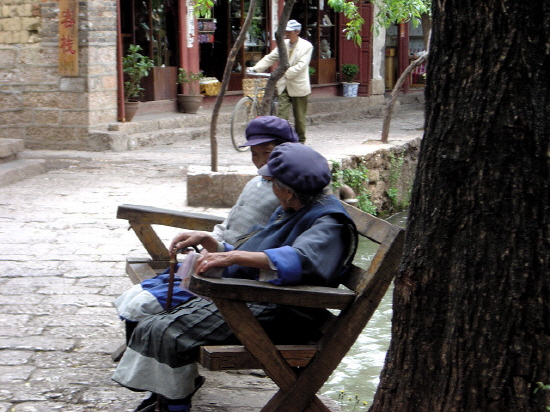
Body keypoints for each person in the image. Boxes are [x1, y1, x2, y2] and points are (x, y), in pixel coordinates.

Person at [112, 143, 358, 412]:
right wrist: (213, 244)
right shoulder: (292, 207)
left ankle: (173, 405)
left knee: (168, 332)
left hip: (286, 313)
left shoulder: (330, 222)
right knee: (153, 325)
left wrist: (233, 258)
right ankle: (167, 398)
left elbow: (301, 259)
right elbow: (255, 253)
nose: (269, 188)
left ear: (287, 190)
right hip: (255, 298)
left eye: (271, 183)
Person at [113, 116, 299, 339]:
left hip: (231, 273)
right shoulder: (257, 182)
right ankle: (145, 350)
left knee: (144, 304)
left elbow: (271, 246)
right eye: (254, 154)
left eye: (267, 153)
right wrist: (206, 239)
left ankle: (154, 355)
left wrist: (225, 253)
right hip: (211, 259)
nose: (260, 162)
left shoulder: (288, 194)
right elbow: (230, 223)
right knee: (133, 296)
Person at [250, 19, 313, 144]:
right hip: (284, 85)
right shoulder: (283, 44)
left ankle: (300, 142)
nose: (286, 33)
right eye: (286, 31)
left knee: (299, 119)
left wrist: (282, 73)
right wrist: (256, 68)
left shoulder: (306, 46)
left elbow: (301, 66)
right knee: (281, 116)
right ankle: (281, 140)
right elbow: (271, 57)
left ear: (297, 32)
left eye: (289, 31)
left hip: (298, 86)